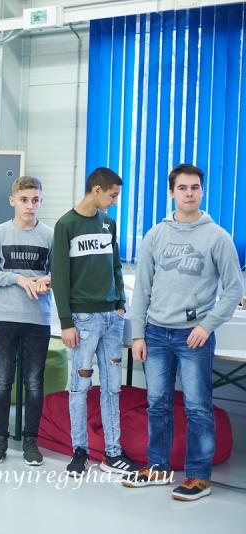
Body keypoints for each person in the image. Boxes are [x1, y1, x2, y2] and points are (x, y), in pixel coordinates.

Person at [122, 164, 243, 501]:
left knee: (197, 407)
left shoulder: (217, 237)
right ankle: (157, 468)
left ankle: (199, 478)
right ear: (172, 192)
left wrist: (207, 325)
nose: (189, 193)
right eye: (183, 188)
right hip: (156, 334)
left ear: (202, 191)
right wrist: (138, 334)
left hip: (193, 336)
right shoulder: (155, 235)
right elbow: (142, 289)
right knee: (157, 404)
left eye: (195, 188)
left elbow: (233, 290)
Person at [52, 167, 139, 476]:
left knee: (112, 388)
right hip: (83, 320)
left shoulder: (108, 223)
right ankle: (80, 451)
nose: (115, 201)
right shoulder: (66, 225)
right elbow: (59, 277)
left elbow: (115, 266)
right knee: (79, 386)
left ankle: (113, 453)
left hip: (112, 319)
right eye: (113, 195)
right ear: (97, 190)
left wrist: (120, 303)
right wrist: (66, 322)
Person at [0, 176, 53, 466]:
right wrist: (19, 279)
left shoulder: (50, 235)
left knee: (34, 382)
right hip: (5, 318)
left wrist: (48, 280)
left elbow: (62, 274)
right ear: (13, 201)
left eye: (35, 200)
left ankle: (31, 441)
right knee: (2, 380)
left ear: (41, 201)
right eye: (24, 200)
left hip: (38, 319)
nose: (30, 205)